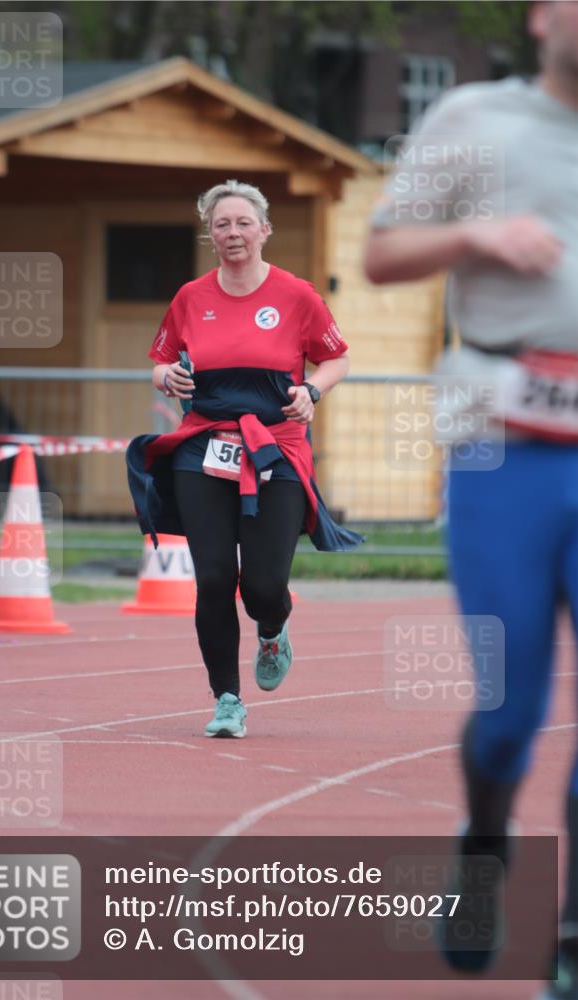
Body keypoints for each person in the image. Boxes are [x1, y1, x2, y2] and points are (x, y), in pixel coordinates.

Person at [363, 3, 578, 997]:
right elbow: (381, 254)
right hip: (505, 445)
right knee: (511, 708)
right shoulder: (474, 119)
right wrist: (476, 233)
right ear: (541, 17)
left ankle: (570, 934)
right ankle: (484, 840)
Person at [127, 179, 362, 739]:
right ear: (210, 234)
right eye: (221, 224)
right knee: (211, 578)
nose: (232, 233)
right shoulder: (190, 297)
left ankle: (273, 628)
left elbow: (337, 358)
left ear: (264, 230)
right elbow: (159, 362)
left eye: (242, 223)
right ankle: (226, 699)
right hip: (203, 445)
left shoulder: (297, 295)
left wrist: (313, 391)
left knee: (260, 586)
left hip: (275, 447)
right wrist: (169, 376)